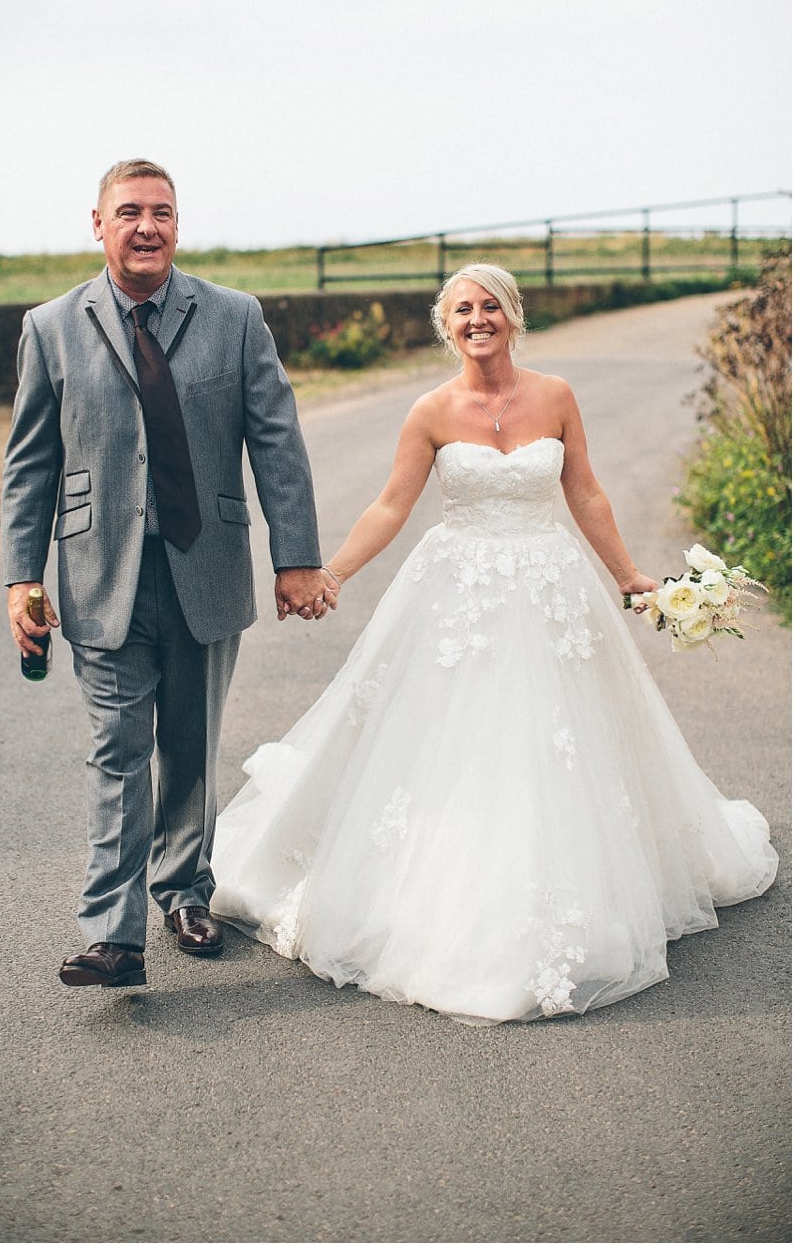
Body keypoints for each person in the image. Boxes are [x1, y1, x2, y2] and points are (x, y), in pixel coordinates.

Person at [211, 263, 779, 1024]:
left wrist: (630, 575)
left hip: (551, 588)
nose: (477, 320)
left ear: (513, 317)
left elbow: (585, 491)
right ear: (447, 328)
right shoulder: (430, 411)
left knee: (563, 746)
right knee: (457, 746)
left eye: (490, 308)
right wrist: (332, 574)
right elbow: (390, 505)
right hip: (458, 598)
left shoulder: (556, 397)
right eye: (463, 311)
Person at [2, 159, 332, 989]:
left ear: (177, 225)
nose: (146, 227)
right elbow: (30, 464)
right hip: (97, 573)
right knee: (118, 750)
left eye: (162, 213)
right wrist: (21, 575)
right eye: (129, 213)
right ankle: (112, 935)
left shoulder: (234, 317)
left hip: (206, 564)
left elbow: (277, 443)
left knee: (189, 746)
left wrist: (296, 557)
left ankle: (185, 890)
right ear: (98, 223)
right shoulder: (50, 328)